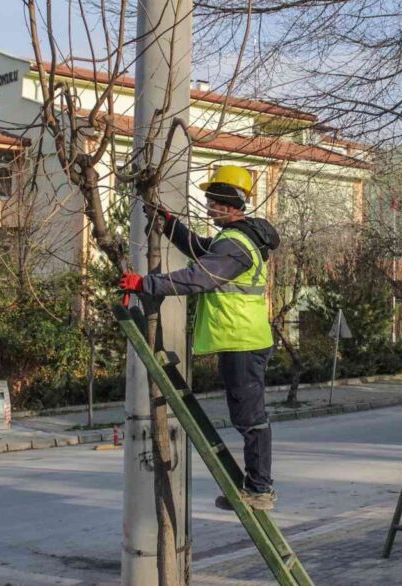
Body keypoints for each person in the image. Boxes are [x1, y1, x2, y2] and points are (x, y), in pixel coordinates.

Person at [119, 166, 281, 511]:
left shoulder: (235, 245)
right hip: (240, 338)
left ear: (227, 202)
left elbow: (200, 277)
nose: (208, 208)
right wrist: (170, 225)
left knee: (250, 418)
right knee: (247, 415)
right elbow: (201, 250)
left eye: (212, 202)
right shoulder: (237, 239)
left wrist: (145, 284)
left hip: (242, 339)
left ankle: (260, 489)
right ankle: (257, 486)